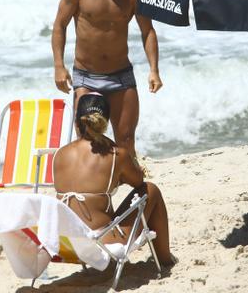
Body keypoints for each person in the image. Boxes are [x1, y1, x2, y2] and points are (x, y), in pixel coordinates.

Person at [52, 0, 162, 157]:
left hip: (121, 76)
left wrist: (154, 70)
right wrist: (58, 66)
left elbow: (147, 31)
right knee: (87, 140)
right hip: (86, 76)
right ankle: (91, 190)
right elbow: (59, 26)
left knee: (126, 140)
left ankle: (128, 187)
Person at [52, 93, 176, 267]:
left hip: (64, 240)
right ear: (106, 122)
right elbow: (138, 181)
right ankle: (165, 259)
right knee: (150, 190)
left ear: (77, 121)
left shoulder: (60, 154)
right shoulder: (115, 154)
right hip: (100, 240)